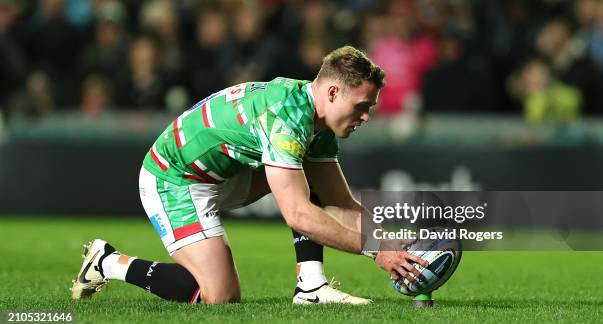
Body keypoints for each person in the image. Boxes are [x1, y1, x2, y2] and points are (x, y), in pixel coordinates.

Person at [70, 46, 427, 304]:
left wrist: (395, 247)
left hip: (223, 174)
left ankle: (311, 287)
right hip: (175, 179)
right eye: (362, 106)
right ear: (333, 92)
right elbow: (298, 214)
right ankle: (107, 262)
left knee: (307, 175)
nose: (366, 116)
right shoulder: (285, 118)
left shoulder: (315, 120)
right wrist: (378, 251)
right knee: (219, 297)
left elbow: (339, 202)